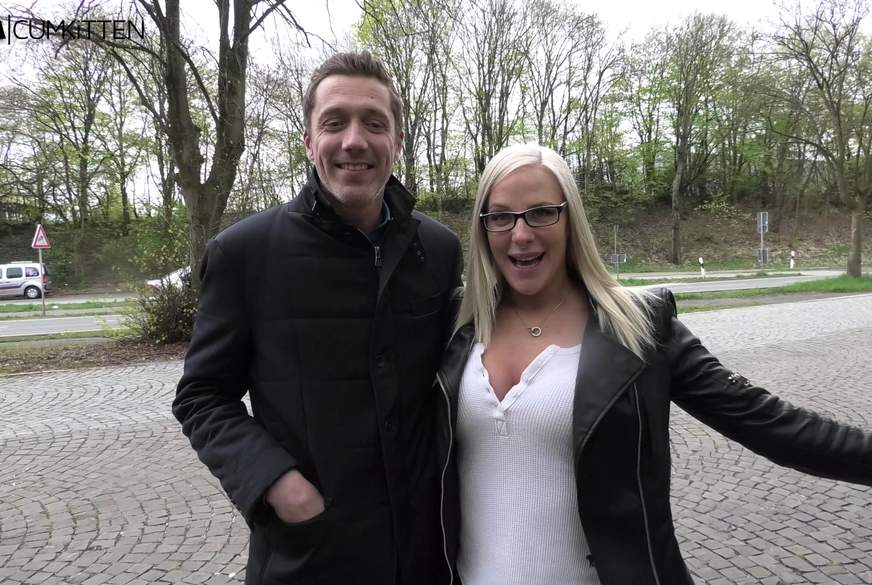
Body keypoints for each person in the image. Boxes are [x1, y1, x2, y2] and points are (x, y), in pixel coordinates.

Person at [435, 143, 872, 585]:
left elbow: (770, 423)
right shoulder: (453, 325)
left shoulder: (638, 327)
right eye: (501, 217)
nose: (520, 234)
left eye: (542, 212)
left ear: (572, 221)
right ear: (483, 228)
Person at [174, 52, 462, 585]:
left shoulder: (439, 251)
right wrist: (276, 482)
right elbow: (202, 396)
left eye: (374, 123)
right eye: (334, 122)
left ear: (397, 141)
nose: (354, 140)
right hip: (311, 556)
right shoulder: (244, 254)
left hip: (423, 552)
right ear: (309, 141)